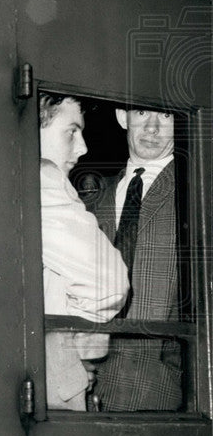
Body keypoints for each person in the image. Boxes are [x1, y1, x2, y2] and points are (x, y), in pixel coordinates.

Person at [38, 94, 129, 411]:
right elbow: (109, 285)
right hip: (50, 385)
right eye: (71, 131)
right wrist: (74, 348)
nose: (83, 147)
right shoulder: (44, 177)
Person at [89, 106, 183, 411]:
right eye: (142, 112)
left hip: (163, 394)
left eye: (166, 116)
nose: (153, 127)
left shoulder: (195, 192)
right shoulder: (90, 197)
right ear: (121, 116)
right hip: (85, 389)